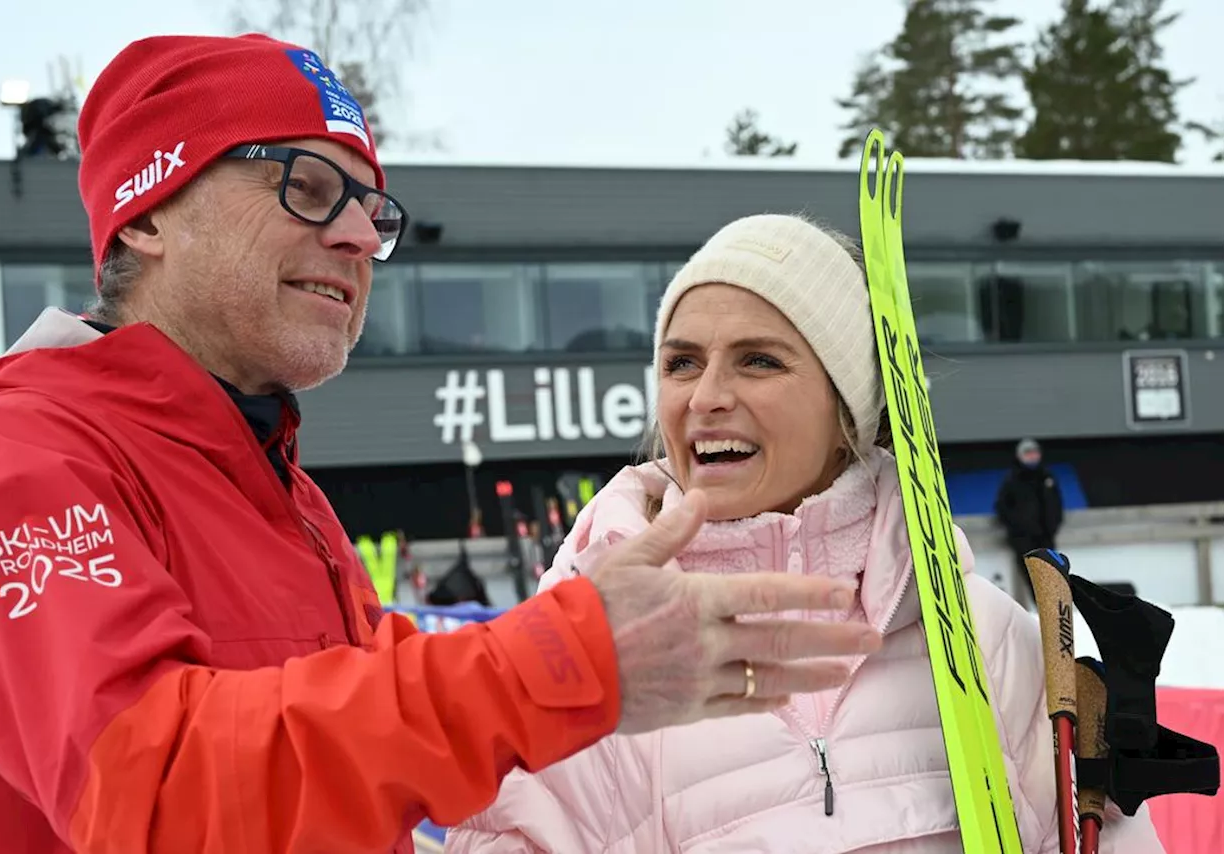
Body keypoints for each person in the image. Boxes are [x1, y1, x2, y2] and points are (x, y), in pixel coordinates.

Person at [0, 36, 881, 854]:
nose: (359, 235)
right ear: (147, 214)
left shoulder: (279, 492)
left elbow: (360, 761)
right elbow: (152, 788)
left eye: (369, 210)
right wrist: (561, 665)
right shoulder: (12, 455)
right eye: (305, 189)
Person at [445, 214, 1165, 853]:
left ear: (846, 411)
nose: (707, 397)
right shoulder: (582, 661)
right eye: (681, 362)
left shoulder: (988, 643)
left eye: (759, 360)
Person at [995, 438, 1065, 605]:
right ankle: (1039, 611)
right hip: (1023, 540)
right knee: (1031, 578)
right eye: (1028, 453)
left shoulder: (1047, 477)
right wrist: (1018, 528)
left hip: (1046, 537)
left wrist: (1052, 526)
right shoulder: (1012, 480)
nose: (1032, 457)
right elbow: (1002, 507)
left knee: (1050, 575)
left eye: (1035, 453)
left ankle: (1053, 611)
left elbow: (1056, 504)